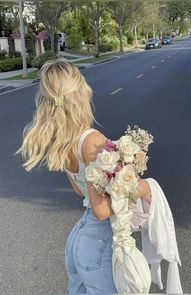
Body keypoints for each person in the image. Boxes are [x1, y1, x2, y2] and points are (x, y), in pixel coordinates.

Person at [16, 59, 151, 294]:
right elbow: (101, 210)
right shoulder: (92, 141)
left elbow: (82, 191)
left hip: (79, 241)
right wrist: (143, 186)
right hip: (101, 242)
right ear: (80, 93)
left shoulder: (63, 139)